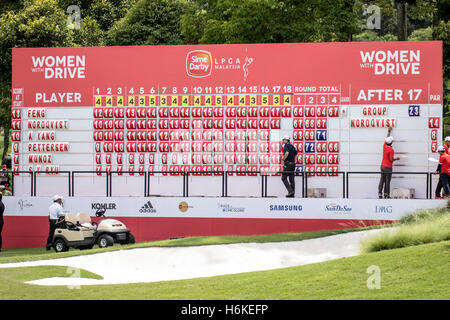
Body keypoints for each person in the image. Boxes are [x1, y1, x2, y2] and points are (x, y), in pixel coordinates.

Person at [378, 127, 400, 199]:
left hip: (382, 165)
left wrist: (389, 131)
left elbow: (387, 137)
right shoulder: (391, 150)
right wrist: (396, 158)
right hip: (388, 167)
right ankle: (386, 195)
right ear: (391, 142)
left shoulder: (384, 145)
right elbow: (391, 159)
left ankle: (379, 193)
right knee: (387, 181)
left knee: (382, 179)